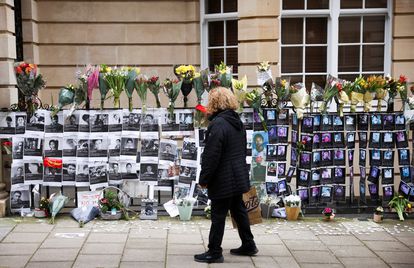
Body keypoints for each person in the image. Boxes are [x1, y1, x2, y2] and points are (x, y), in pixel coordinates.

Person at [195, 87, 257, 263]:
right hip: (238, 175)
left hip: (223, 178)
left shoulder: (218, 124)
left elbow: (211, 155)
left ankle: (214, 251)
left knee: (218, 215)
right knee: (239, 211)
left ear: (214, 103)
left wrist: (204, 179)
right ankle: (249, 244)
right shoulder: (236, 121)